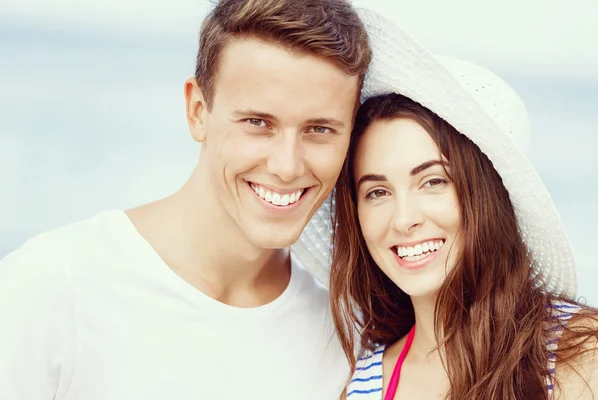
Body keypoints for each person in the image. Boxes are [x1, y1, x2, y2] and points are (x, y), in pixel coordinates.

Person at [0, 1, 372, 399]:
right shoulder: (51, 288)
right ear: (197, 111)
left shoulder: (346, 335)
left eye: (319, 129)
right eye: (257, 123)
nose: (286, 165)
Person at [326, 9, 598, 400]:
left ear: (485, 196)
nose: (403, 220)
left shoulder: (578, 354)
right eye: (377, 192)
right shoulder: (362, 386)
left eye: (433, 181)